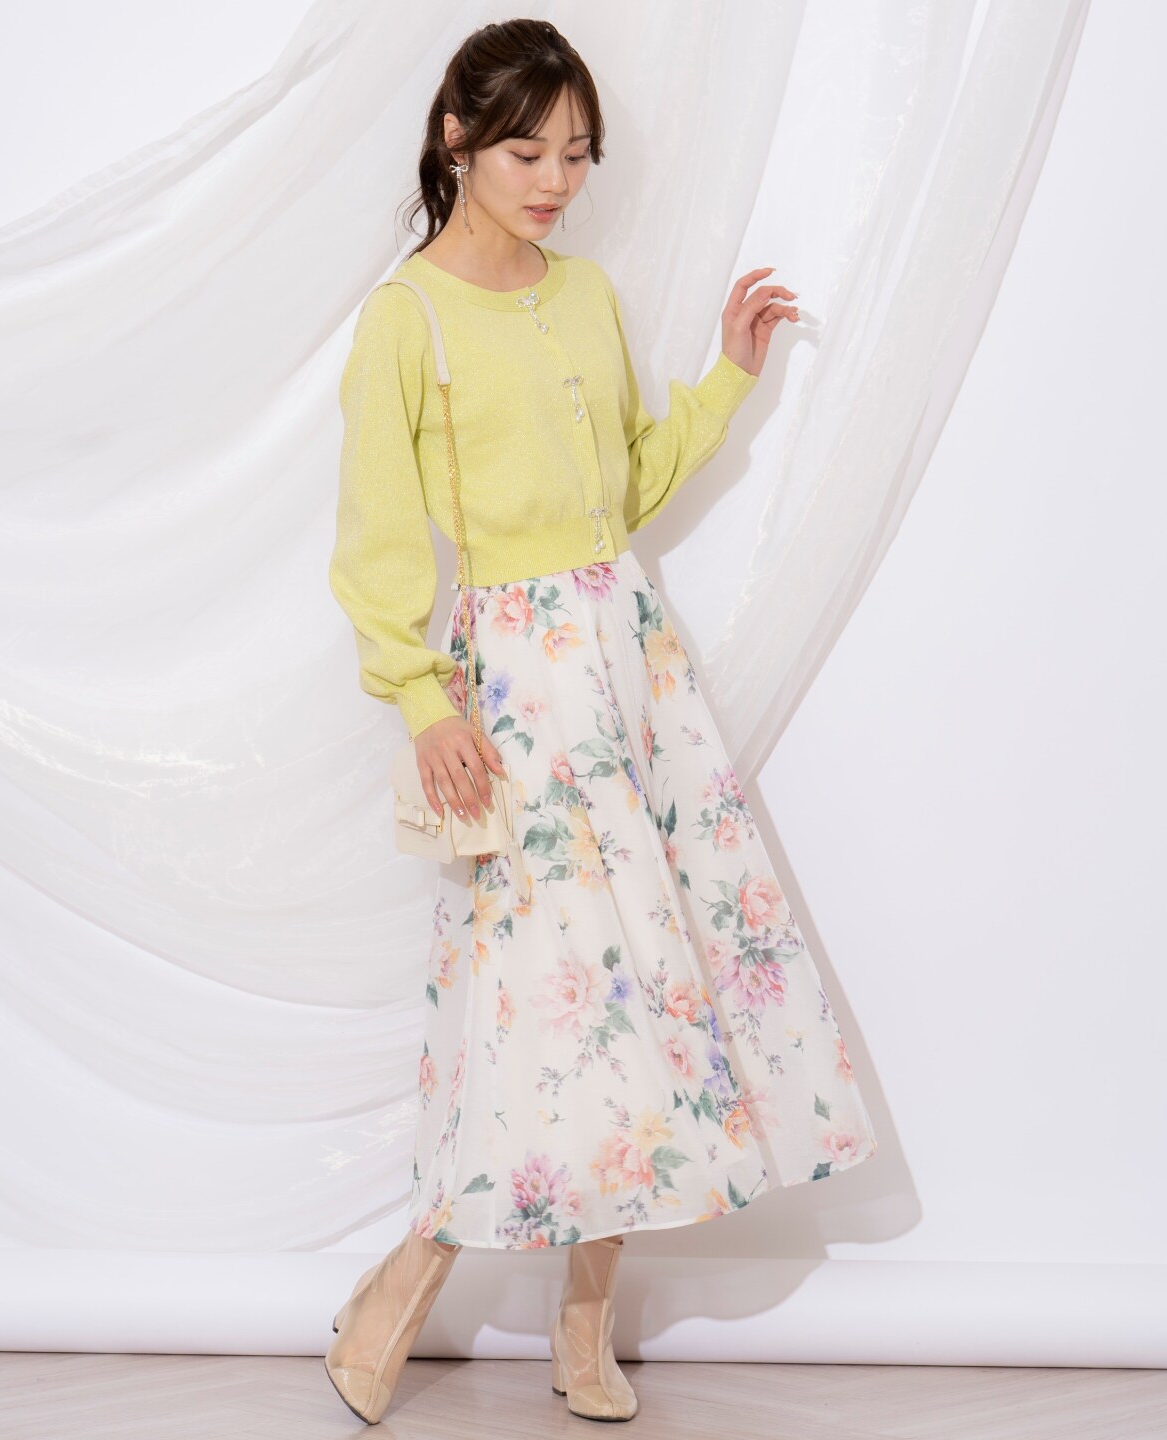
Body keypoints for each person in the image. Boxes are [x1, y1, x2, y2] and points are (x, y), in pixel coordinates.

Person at [324, 17, 879, 1427]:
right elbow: (377, 543)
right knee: (525, 1004)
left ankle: (587, 1324)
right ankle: (403, 1285)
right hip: (508, 693)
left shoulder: (585, 296)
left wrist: (729, 374)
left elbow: (622, 490)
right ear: (457, 138)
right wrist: (422, 701)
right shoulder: (405, 322)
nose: (557, 181)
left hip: (630, 673)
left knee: (644, 990)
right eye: (529, 151)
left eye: (578, 154)